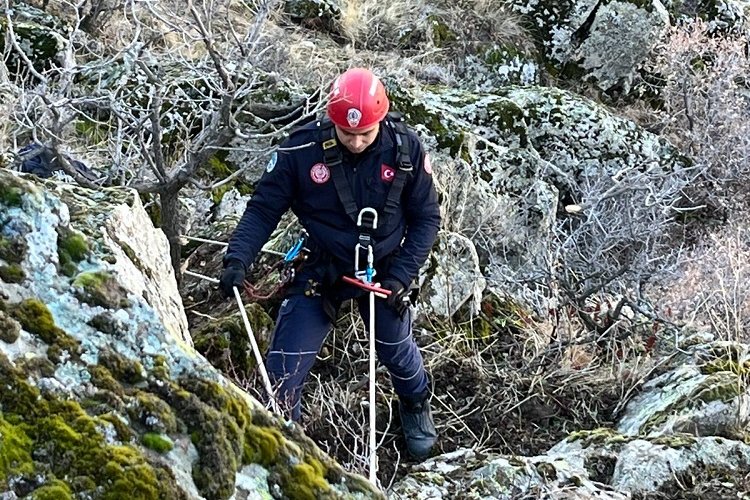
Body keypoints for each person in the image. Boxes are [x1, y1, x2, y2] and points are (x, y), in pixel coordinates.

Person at [219, 67, 441, 459]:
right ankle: (288, 450)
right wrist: (238, 258)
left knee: (396, 348)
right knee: (283, 371)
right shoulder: (302, 148)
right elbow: (264, 208)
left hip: (384, 269)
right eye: (346, 132)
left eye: (365, 133)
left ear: (381, 120)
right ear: (332, 121)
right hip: (321, 264)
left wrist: (403, 275)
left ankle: (416, 403)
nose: (355, 142)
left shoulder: (406, 149)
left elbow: (426, 219)